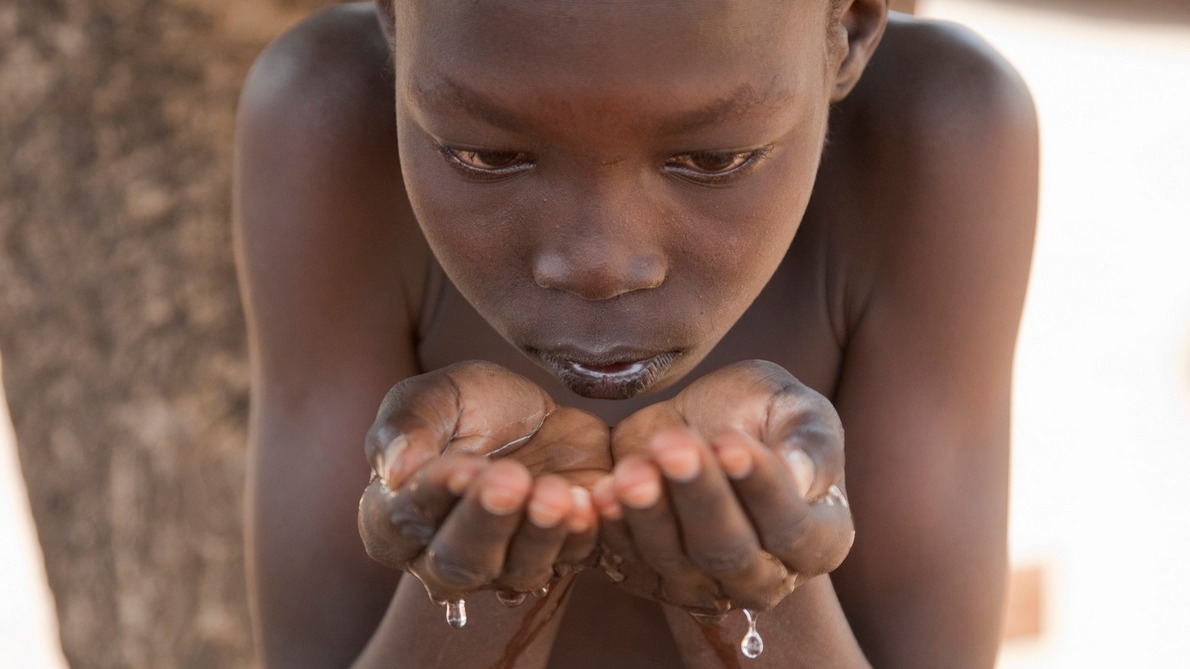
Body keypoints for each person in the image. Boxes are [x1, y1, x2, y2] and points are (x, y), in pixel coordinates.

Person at [233, 0, 1037, 666]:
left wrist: (752, 585)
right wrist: (481, 577)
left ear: (851, 27)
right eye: (482, 152)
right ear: (393, 18)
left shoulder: (937, 137)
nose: (598, 265)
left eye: (716, 159)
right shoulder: (327, 120)